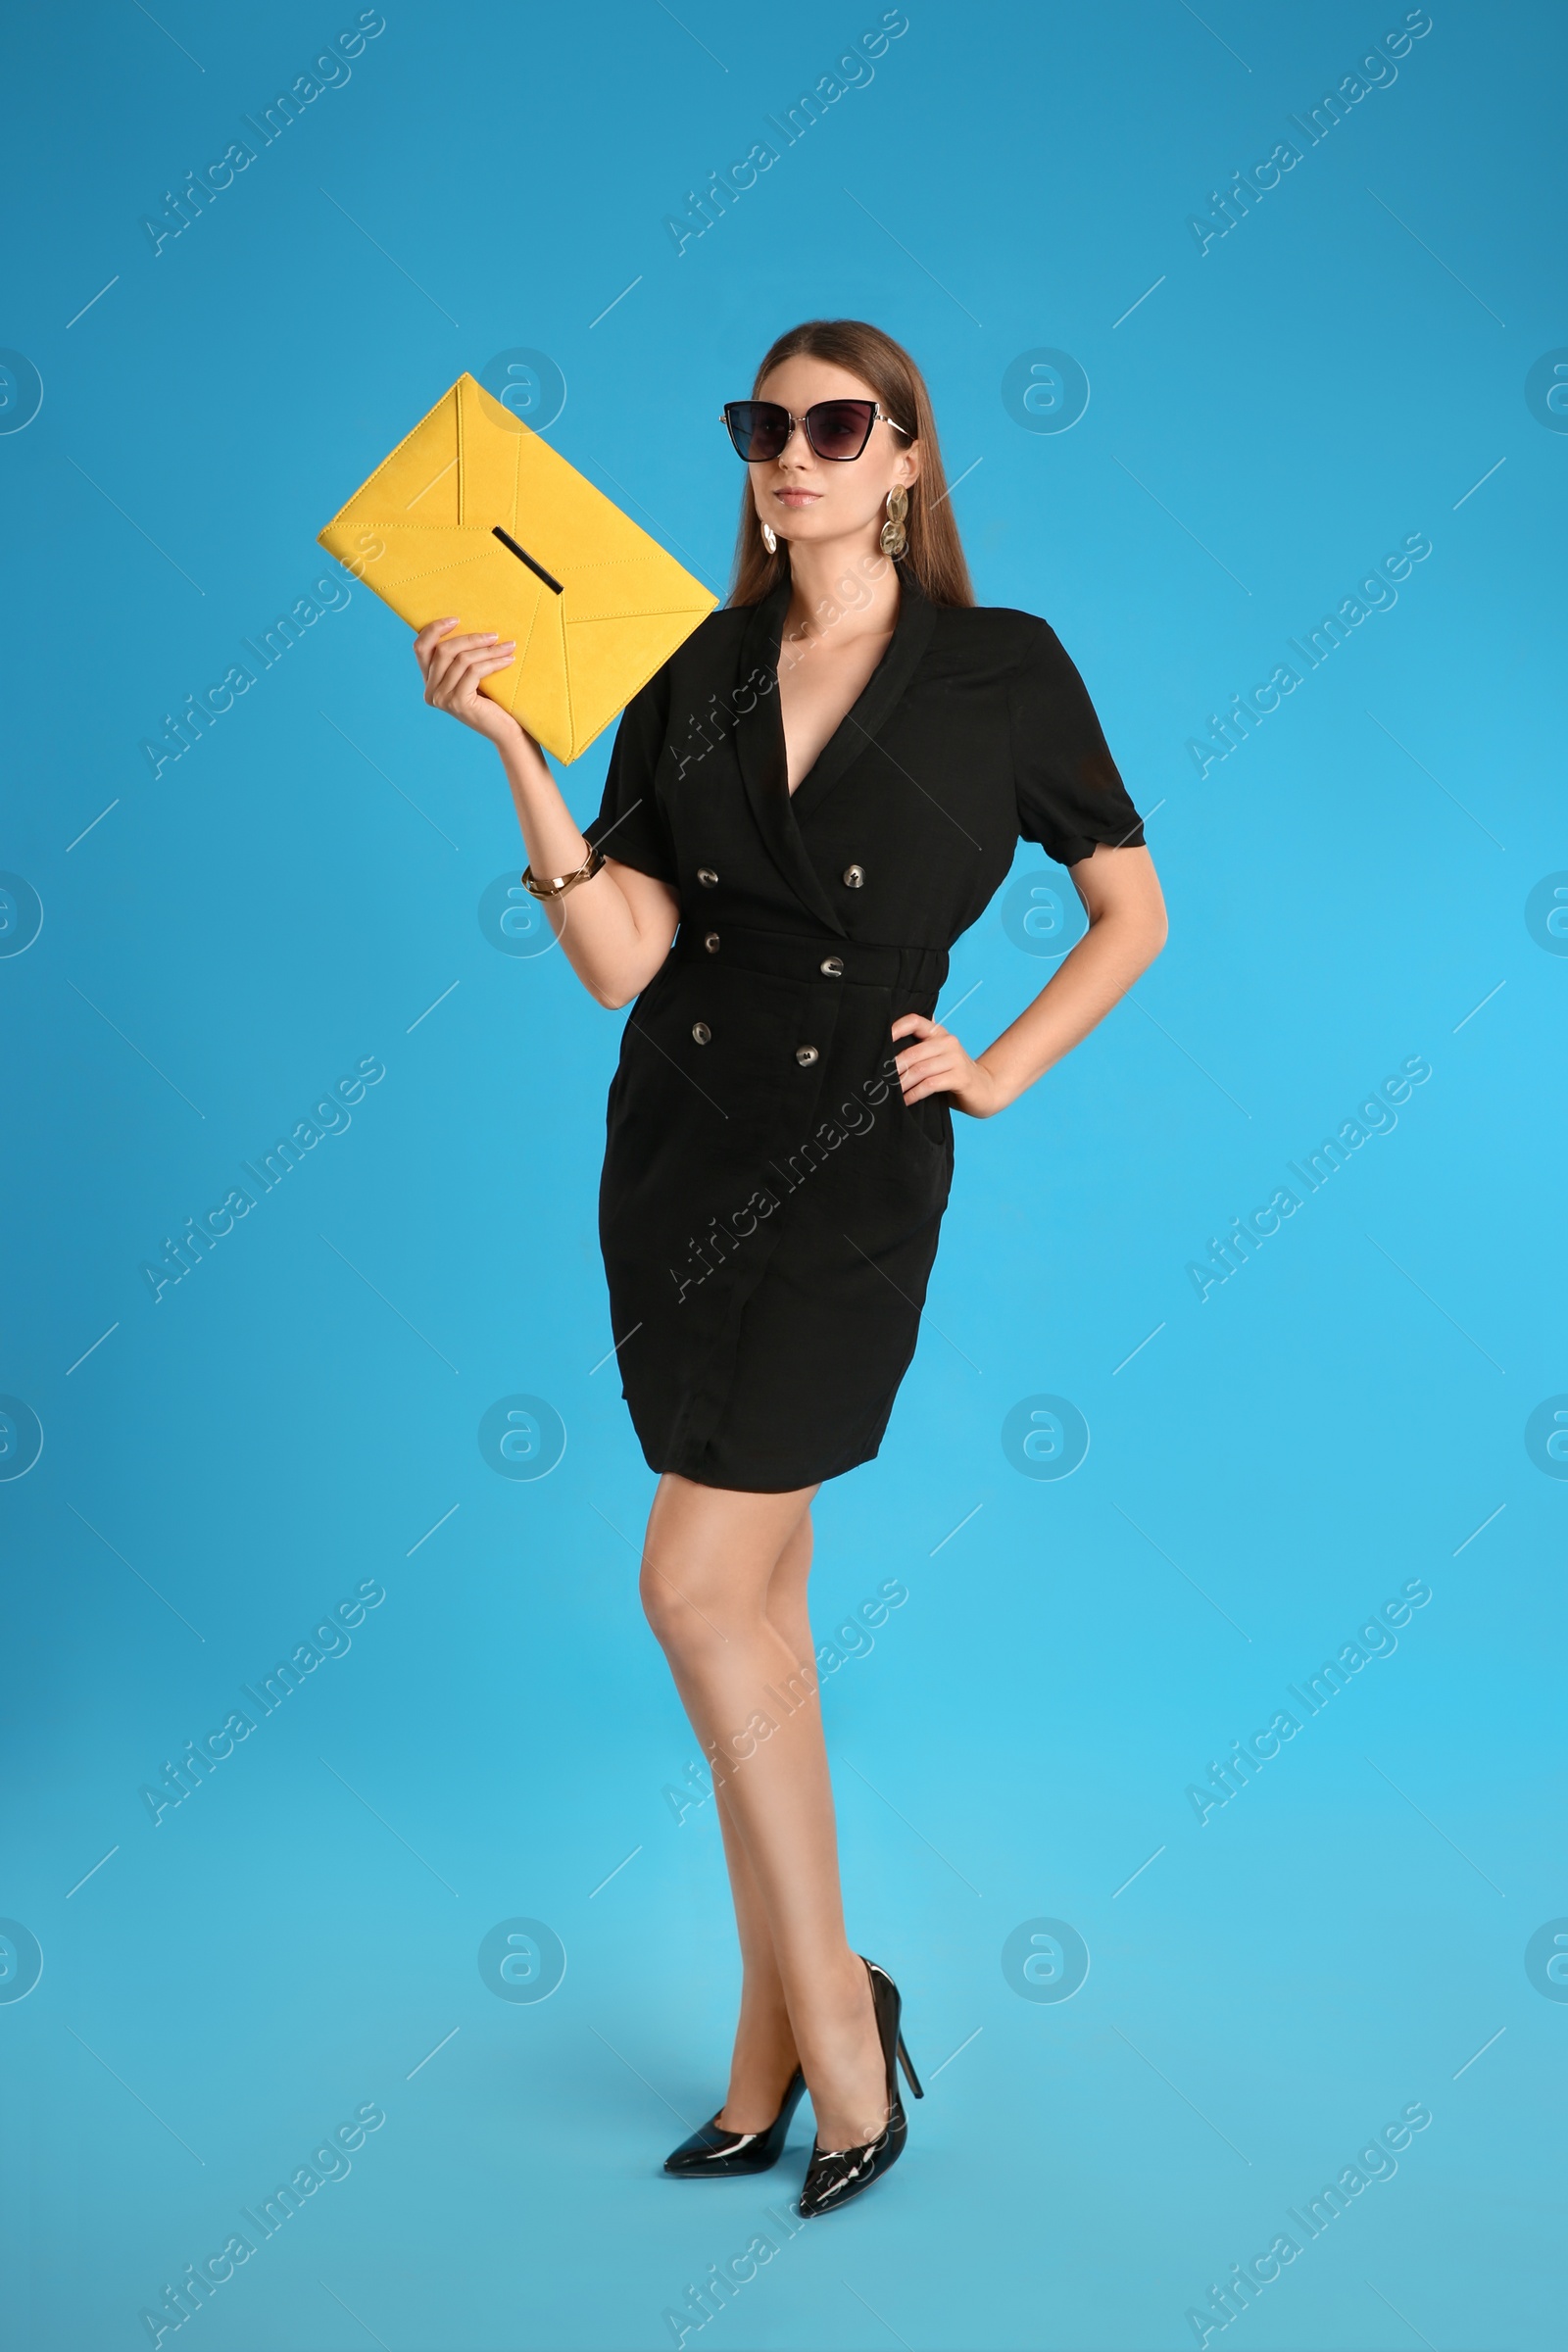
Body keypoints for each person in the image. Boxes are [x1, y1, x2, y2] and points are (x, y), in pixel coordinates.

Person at [413, 318, 1166, 2216]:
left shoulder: (1002, 672)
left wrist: (994, 1064)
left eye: (839, 426)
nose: (795, 455)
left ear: (907, 459)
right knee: (765, 1618)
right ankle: (766, 2045)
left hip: (847, 1182)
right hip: (675, 1159)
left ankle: (839, 2030)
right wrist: (516, 750)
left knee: (692, 1585)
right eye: (766, 425)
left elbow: (1127, 906)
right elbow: (617, 953)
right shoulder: (689, 666)